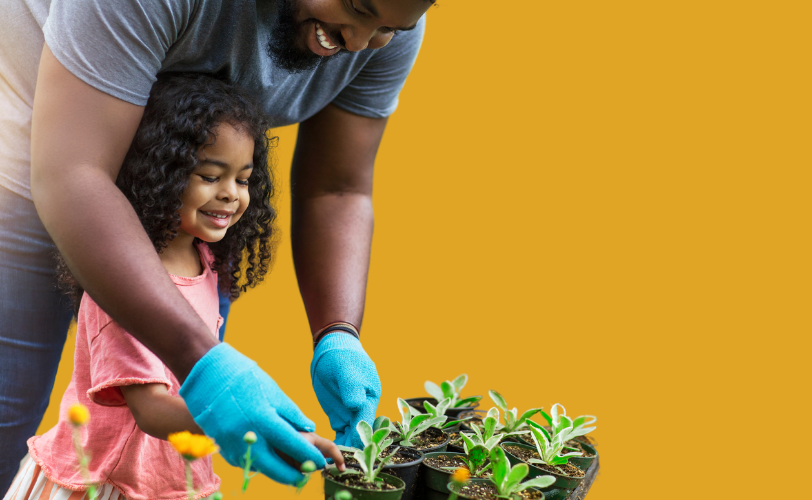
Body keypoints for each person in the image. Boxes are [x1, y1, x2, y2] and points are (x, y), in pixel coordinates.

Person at [0, 0, 434, 491]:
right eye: (358, 8)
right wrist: (215, 382)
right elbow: (72, 174)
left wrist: (338, 334)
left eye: (388, 30)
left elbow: (337, 188)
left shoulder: (198, 257)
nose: (359, 42)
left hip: (175, 203)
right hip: (43, 149)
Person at [2, 74, 345, 500]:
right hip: (104, 483)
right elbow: (152, 411)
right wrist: (247, 417)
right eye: (210, 175)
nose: (230, 195)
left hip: (169, 482)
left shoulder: (206, 261)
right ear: (158, 175)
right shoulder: (123, 287)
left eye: (242, 179)